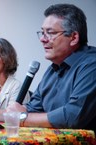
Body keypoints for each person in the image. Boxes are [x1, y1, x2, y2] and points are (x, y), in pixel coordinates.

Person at [6, 3, 96, 132]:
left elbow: (72, 116)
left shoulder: (92, 65)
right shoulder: (53, 69)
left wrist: (22, 118)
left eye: (50, 33)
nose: (42, 39)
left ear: (73, 37)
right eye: (42, 33)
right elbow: (32, 109)